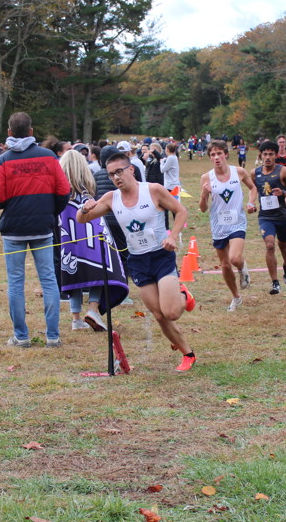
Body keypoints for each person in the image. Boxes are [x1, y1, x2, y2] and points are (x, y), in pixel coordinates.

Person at [78, 152, 197, 371]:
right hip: (138, 262)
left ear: (131, 170)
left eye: (119, 172)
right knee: (159, 315)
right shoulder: (111, 198)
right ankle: (188, 354)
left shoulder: (153, 190)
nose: (116, 177)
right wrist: (85, 208)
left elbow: (181, 211)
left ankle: (183, 295)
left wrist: (172, 237)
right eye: (111, 174)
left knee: (171, 312)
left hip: (161, 256)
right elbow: (82, 219)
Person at [0, 112, 70, 348]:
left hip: (14, 230)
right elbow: (63, 191)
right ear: (31, 131)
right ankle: (52, 336)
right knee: (49, 280)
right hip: (42, 228)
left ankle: (21, 336)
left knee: (16, 282)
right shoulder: (48, 157)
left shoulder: (3, 160)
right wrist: (50, 212)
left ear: (9, 132)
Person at [57, 150, 128, 331]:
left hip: (68, 244)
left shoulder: (59, 195)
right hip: (90, 242)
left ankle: (75, 319)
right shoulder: (87, 192)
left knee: (73, 274)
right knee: (97, 271)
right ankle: (93, 309)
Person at [199, 140, 257, 311]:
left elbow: (253, 188)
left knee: (235, 258)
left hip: (237, 222)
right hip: (218, 226)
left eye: (219, 153)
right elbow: (203, 209)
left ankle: (242, 268)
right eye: (213, 155)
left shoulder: (238, 172)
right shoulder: (206, 178)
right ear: (210, 158)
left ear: (226, 154)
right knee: (225, 265)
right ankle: (236, 297)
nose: (216, 157)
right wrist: (203, 195)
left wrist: (251, 202)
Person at [255, 141, 286, 294]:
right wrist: (251, 203)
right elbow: (253, 190)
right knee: (270, 245)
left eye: (271, 154)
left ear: (276, 155)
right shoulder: (255, 173)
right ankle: (275, 283)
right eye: (265, 154)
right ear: (261, 155)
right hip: (265, 217)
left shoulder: (283, 171)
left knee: (283, 245)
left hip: (281, 216)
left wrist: (283, 193)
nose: (267, 157)